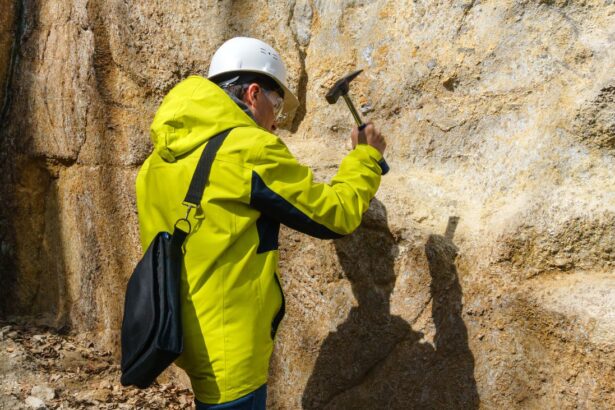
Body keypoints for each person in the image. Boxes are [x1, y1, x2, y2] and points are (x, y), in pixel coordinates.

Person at [135, 37, 387, 409]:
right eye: (278, 104)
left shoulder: (158, 159)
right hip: (230, 348)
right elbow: (335, 215)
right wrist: (365, 157)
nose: (277, 121)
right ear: (254, 94)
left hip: (180, 332)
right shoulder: (248, 149)